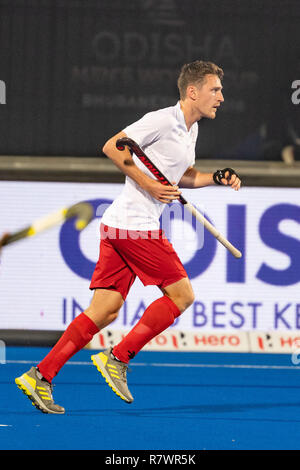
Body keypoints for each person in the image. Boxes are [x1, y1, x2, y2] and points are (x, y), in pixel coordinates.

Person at [15, 60, 241, 414]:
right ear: (193, 92)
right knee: (182, 296)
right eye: (215, 90)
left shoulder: (190, 130)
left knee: (104, 310)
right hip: (135, 226)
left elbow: (182, 175)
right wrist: (150, 183)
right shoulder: (162, 120)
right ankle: (118, 358)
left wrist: (217, 178)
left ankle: (40, 376)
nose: (221, 97)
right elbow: (112, 146)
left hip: (119, 225)